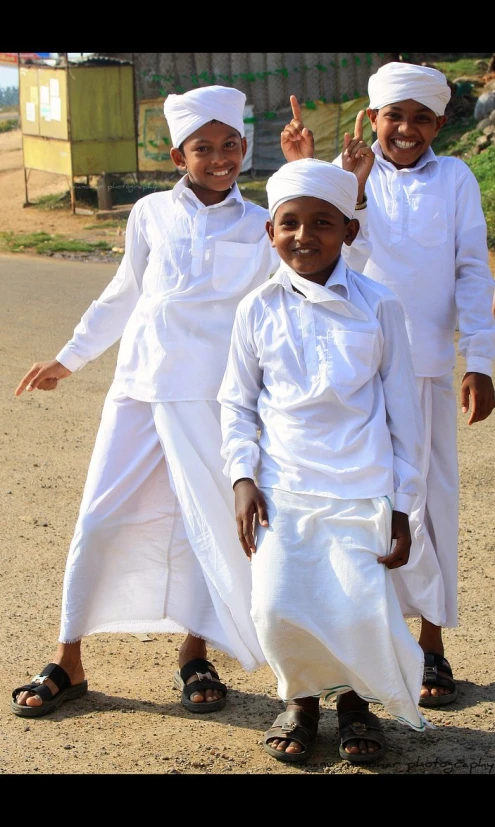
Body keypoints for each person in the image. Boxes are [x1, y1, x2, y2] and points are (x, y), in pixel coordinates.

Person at [10, 86, 314, 719]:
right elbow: (125, 291)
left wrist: (302, 170)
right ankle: (69, 660)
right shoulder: (149, 211)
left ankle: (194, 653)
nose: (220, 158)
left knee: (208, 528)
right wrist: (70, 358)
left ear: (244, 147)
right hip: (139, 392)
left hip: (214, 399)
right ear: (179, 155)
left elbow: (305, 281)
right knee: (98, 518)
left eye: (230, 144)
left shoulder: (262, 221)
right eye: (203, 148)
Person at [217, 157, 431, 764]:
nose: (304, 236)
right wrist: (242, 478)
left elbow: (402, 417)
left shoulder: (380, 305)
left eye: (322, 223)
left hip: (362, 486)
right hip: (283, 484)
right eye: (289, 223)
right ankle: (302, 699)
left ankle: (355, 706)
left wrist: (402, 506)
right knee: (277, 603)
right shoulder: (255, 308)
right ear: (270, 232)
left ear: (350, 232)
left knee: (355, 606)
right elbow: (236, 402)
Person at [332, 61, 495, 707]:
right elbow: (325, 259)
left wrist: (479, 358)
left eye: (419, 117)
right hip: (355, 371)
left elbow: (469, 269)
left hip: (426, 368)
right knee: (358, 506)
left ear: (439, 122)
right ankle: (361, 643)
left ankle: (430, 643)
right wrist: (354, 189)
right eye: (392, 116)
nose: (405, 129)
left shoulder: (452, 177)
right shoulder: (344, 175)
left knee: (428, 507)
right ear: (371, 118)